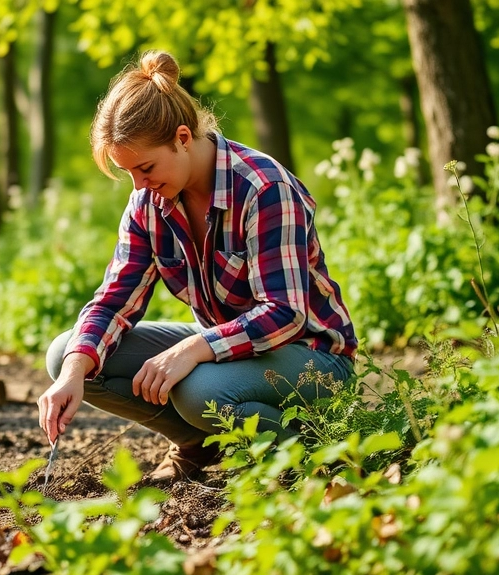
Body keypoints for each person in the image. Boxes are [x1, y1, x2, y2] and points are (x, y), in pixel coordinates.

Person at [38, 50, 357, 482]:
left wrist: (190, 351)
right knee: (67, 354)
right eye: (127, 172)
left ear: (183, 138)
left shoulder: (264, 189)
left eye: (145, 167)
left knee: (198, 391)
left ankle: (314, 448)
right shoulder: (148, 203)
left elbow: (285, 314)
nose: (138, 185)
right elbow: (115, 302)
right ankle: (196, 443)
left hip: (312, 357)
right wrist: (74, 374)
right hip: (227, 349)